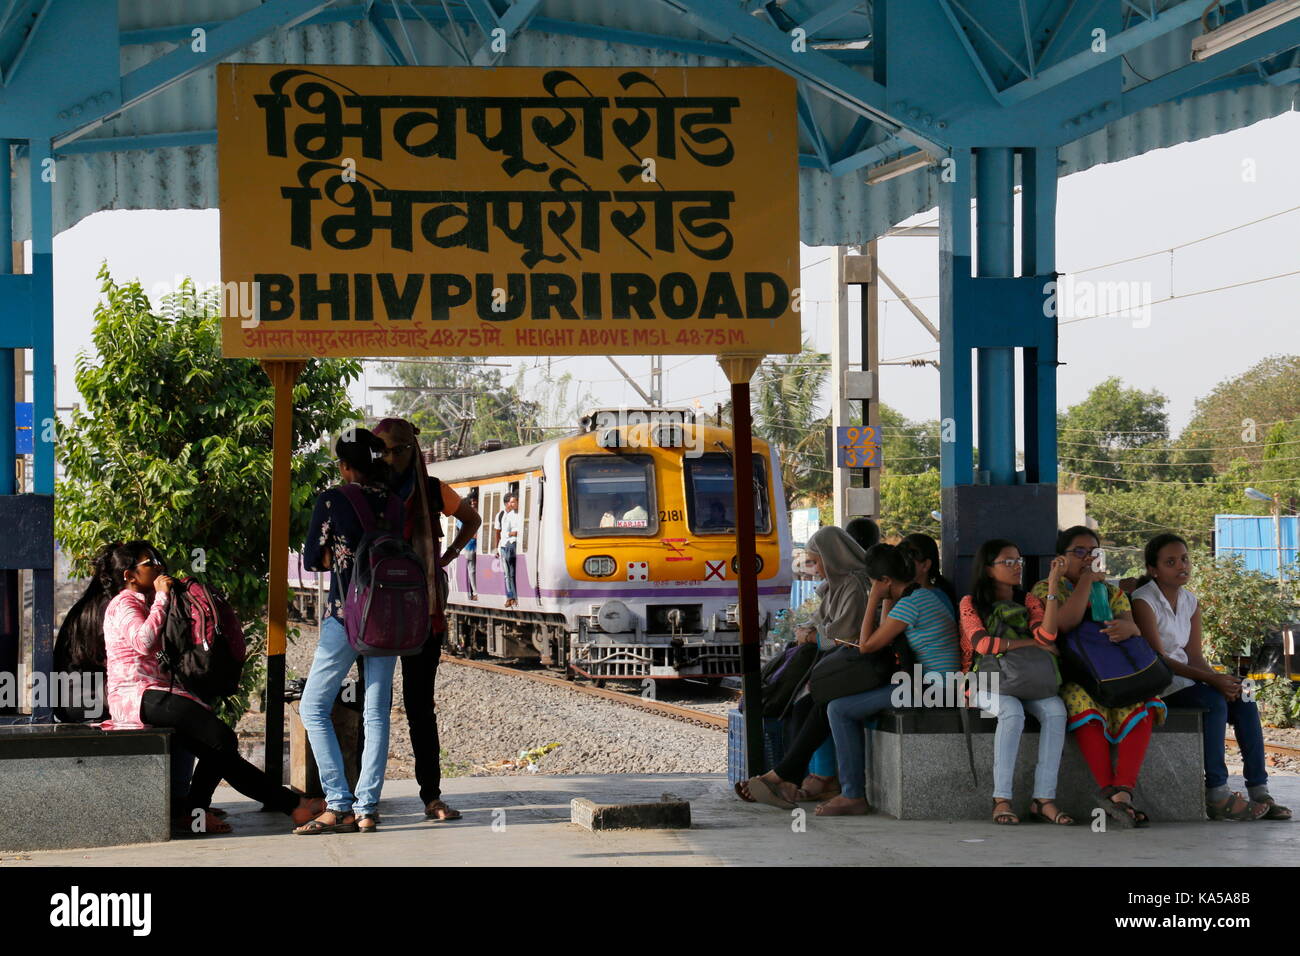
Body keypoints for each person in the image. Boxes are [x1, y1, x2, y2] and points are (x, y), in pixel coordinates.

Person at [101, 540, 322, 834]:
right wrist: (163, 599)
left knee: (221, 744)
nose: (158, 565)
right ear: (129, 575)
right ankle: (291, 805)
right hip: (135, 696)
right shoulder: (124, 603)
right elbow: (143, 642)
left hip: (157, 692)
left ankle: (202, 812)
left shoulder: (143, 600)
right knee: (221, 740)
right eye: (149, 561)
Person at [1131, 533, 1290, 821]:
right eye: (1171, 562)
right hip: (1159, 683)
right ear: (1154, 569)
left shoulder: (1190, 601)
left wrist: (1221, 678)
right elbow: (1159, 659)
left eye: (1184, 558)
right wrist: (1213, 682)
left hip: (1186, 678)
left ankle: (1259, 789)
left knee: (1244, 694)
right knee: (1213, 702)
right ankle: (1217, 792)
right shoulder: (1144, 600)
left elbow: (1193, 656)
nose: (1182, 565)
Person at [374, 418, 481, 823]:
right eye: (380, 450)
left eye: (392, 450)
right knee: (376, 707)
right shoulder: (372, 490)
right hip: (382, 616)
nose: (386, 458)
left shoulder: (433, 490)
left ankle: (431, 796)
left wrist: (449, 555)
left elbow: (472, 519)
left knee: (419, 708)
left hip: (423, 613)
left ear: (409, 451)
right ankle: (368, 798)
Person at [299, 428, 404, 834]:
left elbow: (313, 559)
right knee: (376, 714)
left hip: (346, 615)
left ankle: (339, 801)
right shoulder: (394, 504)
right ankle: (366, 809)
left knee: (313, 707)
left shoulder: (334, 499)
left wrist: (339, 554)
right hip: (389, 617)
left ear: (345, 466)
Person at [1031, 525, 1165, 828]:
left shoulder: (1111, 591)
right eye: (1078, 552)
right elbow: (1064, 624)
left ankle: (1121, 793)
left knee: (1144, 703)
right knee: (1085, 707)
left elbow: (1132, 626)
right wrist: (1087, 583)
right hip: (1075, 676)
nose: (1087, 558)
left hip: (1114, 673)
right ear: (1061, 558)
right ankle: (1107, 787)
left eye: (1093, 552)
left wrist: (1128, 628)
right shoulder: (1047, 587)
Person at [818, 543, 962, 816]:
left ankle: (853, 795)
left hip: (935, 690)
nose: (872, 587)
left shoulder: (911, 605)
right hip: (934, 684)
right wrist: (885, 596)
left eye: (873, 583)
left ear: (884, 581)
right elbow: (886, 632)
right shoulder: (920, 597)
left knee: (838, 709)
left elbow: (867, 646)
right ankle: (851, 790)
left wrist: (873, 598)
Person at [735, 526, 870, 809]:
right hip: (842, 667)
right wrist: (811, 632)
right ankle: (795, 777)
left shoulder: (854, 587)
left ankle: (787, 777)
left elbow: (843, 637)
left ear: (832, 558)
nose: (815, 568)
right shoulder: (837, 587)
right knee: (801, 706)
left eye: (816, 561)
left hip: (857, 666)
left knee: (817, 703)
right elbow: (822, 625)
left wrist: (811, 636)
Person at [958, 539, 1071, 825]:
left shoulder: (1029, 600)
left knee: (1056, 711)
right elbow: (982, 644)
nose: (1016, 567)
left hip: (1027, 681)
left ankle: (1043, 799)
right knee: (1012, 711)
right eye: (1007, 562)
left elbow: (1047, 637)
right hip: (984, 683)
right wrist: (1027, 643)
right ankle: (1001, 799)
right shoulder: (971, 603)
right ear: (987, 568)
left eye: (1018, 561)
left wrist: (1054, 586)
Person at [901, 532, 957, 613]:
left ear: (925, 565)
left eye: (906, 560)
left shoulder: (918, 600)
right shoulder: (938, 593)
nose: (900, 565)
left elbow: (885, 625)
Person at [498, 493, 521, 607]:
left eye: (514, 502)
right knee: (510, 574)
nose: (512, 504)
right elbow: (504, 533)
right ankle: (512, 596)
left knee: (513, 574)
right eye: (510, 502)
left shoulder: (522, 514)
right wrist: (515, 533)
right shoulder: (508, 515)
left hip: (519, 544)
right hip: (510, 545)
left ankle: (514, 597)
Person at [462, 491, 480, 600]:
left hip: (477, 546)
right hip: (469, 546)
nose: (473, 502)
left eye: (475, 500)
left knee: (474, 570)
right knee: (472, 570)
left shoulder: (478, 513)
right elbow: (464, 531)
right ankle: (475, 592)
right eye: (471, 501)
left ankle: (476, 591)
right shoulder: (466, 516)